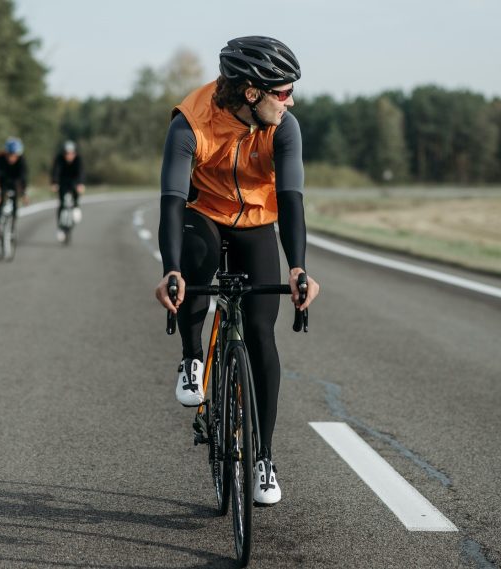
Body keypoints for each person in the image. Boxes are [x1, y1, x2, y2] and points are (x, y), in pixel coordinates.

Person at [154, 36, 319, 506]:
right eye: (283, 92)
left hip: (257, 221)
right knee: (196, 267)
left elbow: (291, 201)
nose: (290, 101)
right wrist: (171, 271)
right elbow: (169, 200)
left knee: (262, 334)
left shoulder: (284, 127)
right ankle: (192, 358)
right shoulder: (190, 123)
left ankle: (263, 458)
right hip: (202, 211)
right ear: (252, 92)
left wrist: (299, 268)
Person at [0, 137, 28, 238]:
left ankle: (12, 226)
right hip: (1, 183)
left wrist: (24, 194)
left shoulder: (22, 161)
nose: (12, 158)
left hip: (14, 183)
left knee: (15, 203)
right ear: (6, 153)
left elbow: (23, 178)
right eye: (10, 155)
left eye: (15, 155)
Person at [51, 140, 85, 242]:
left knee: (76, 195)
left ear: (75, 153)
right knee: (61, 204)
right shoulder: (59, 159)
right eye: (67, 153)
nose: (69, 156)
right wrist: (54, 183)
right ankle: (60, 227)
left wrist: (81, 184)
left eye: (71, 153)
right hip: (63, 181)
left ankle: (76, 207)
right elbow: (55, 171)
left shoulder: (78, 160)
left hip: (74, 181)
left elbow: (81, 172)